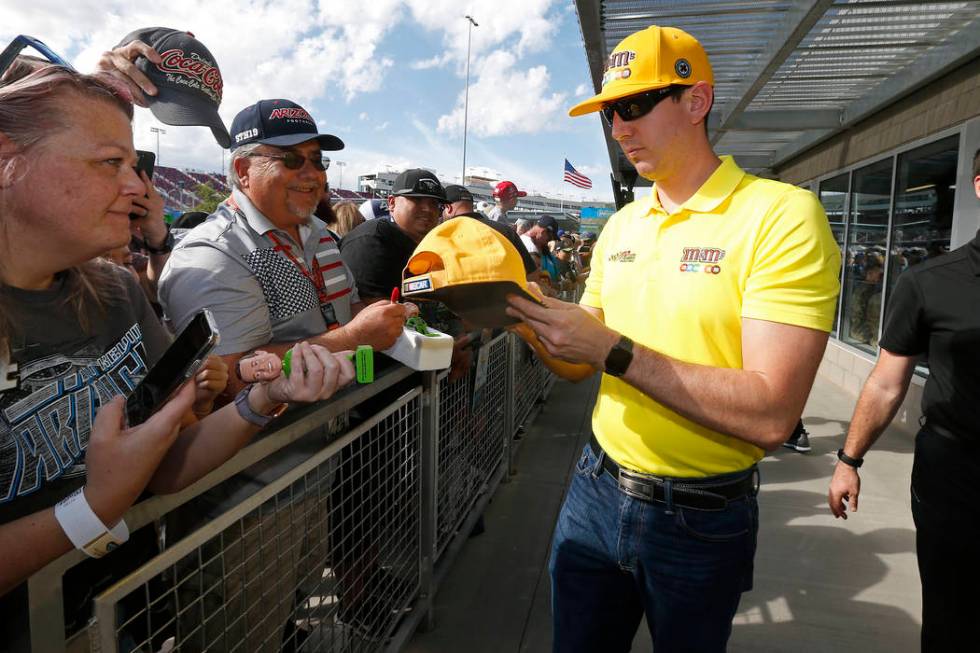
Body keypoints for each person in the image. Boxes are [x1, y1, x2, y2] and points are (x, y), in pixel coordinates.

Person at [506, 25, 839, 652]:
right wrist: (520, 314)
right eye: (610, 113)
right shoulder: (623, 224)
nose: (618, 129)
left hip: (702, 516)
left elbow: (771, 414)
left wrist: (611, 349)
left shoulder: (782, 216)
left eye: (633, 107)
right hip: (595, 485)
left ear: (696, 101)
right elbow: (578, 366)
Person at [0, 66, 354, 650]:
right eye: (110, 163)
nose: (141, 188)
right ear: (8, 159)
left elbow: (169, 461)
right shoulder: (211, 254)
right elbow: (116, 490)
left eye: (134, 165)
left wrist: (262, 399)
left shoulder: (116, 293)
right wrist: (94, 507)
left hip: (126, 609)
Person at [828, 148, 980, 652]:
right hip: (956, 477)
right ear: (979, 185)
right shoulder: (930, 282)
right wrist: (849, 460)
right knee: (953, 614)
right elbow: (886, 382)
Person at [158, 98, 410, 401]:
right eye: (291, 159)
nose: (312, 173)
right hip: (274, 444)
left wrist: (385, 317)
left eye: (317, 160)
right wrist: (354, 338)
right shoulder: (214, 252)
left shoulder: (321, 235)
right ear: (243, 170)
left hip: (336, 433)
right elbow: (227, 380)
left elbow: (349, 310)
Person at [442, 184, 536, 276]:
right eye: (516, 198)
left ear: (448, 208)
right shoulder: (506, 231)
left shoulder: (442, 236)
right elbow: (532, 275)